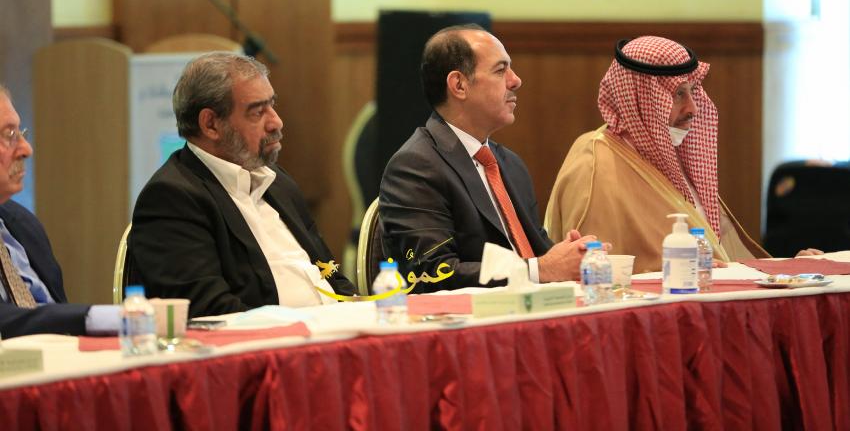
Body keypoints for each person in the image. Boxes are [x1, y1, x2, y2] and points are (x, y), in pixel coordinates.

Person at [545, 36, 818, 274]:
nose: (692, 108)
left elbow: (720, 256)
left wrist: (789, 268)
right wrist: (683, 271)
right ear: (641, 97)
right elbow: (594, 271)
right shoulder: (595, 163)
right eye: (678, 94)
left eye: (693, 91)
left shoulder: (674, 157)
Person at [129, 52, 354, 318]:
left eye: (272, 105)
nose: (276, 122)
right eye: (258, 112)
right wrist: (305, 327)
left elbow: (331, 274)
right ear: (211, 124)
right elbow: (209, 312)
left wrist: (358, 311)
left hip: (331, 330)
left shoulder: (278, 183)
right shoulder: (171, 198)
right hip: (276, 340)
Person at [380, 24, 600, 292]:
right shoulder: (415, 167)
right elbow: (431, 272)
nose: (516, 80)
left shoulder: (509, 164)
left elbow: (538, 254)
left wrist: (568, 256)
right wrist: (540, 270)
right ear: (459, 85)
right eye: (500, 70)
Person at [0, 86, 119, 338]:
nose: (26, 149)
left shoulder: (22, 224)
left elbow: (56, 309)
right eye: (8, 135)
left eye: (20, 133)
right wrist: (102, 317)